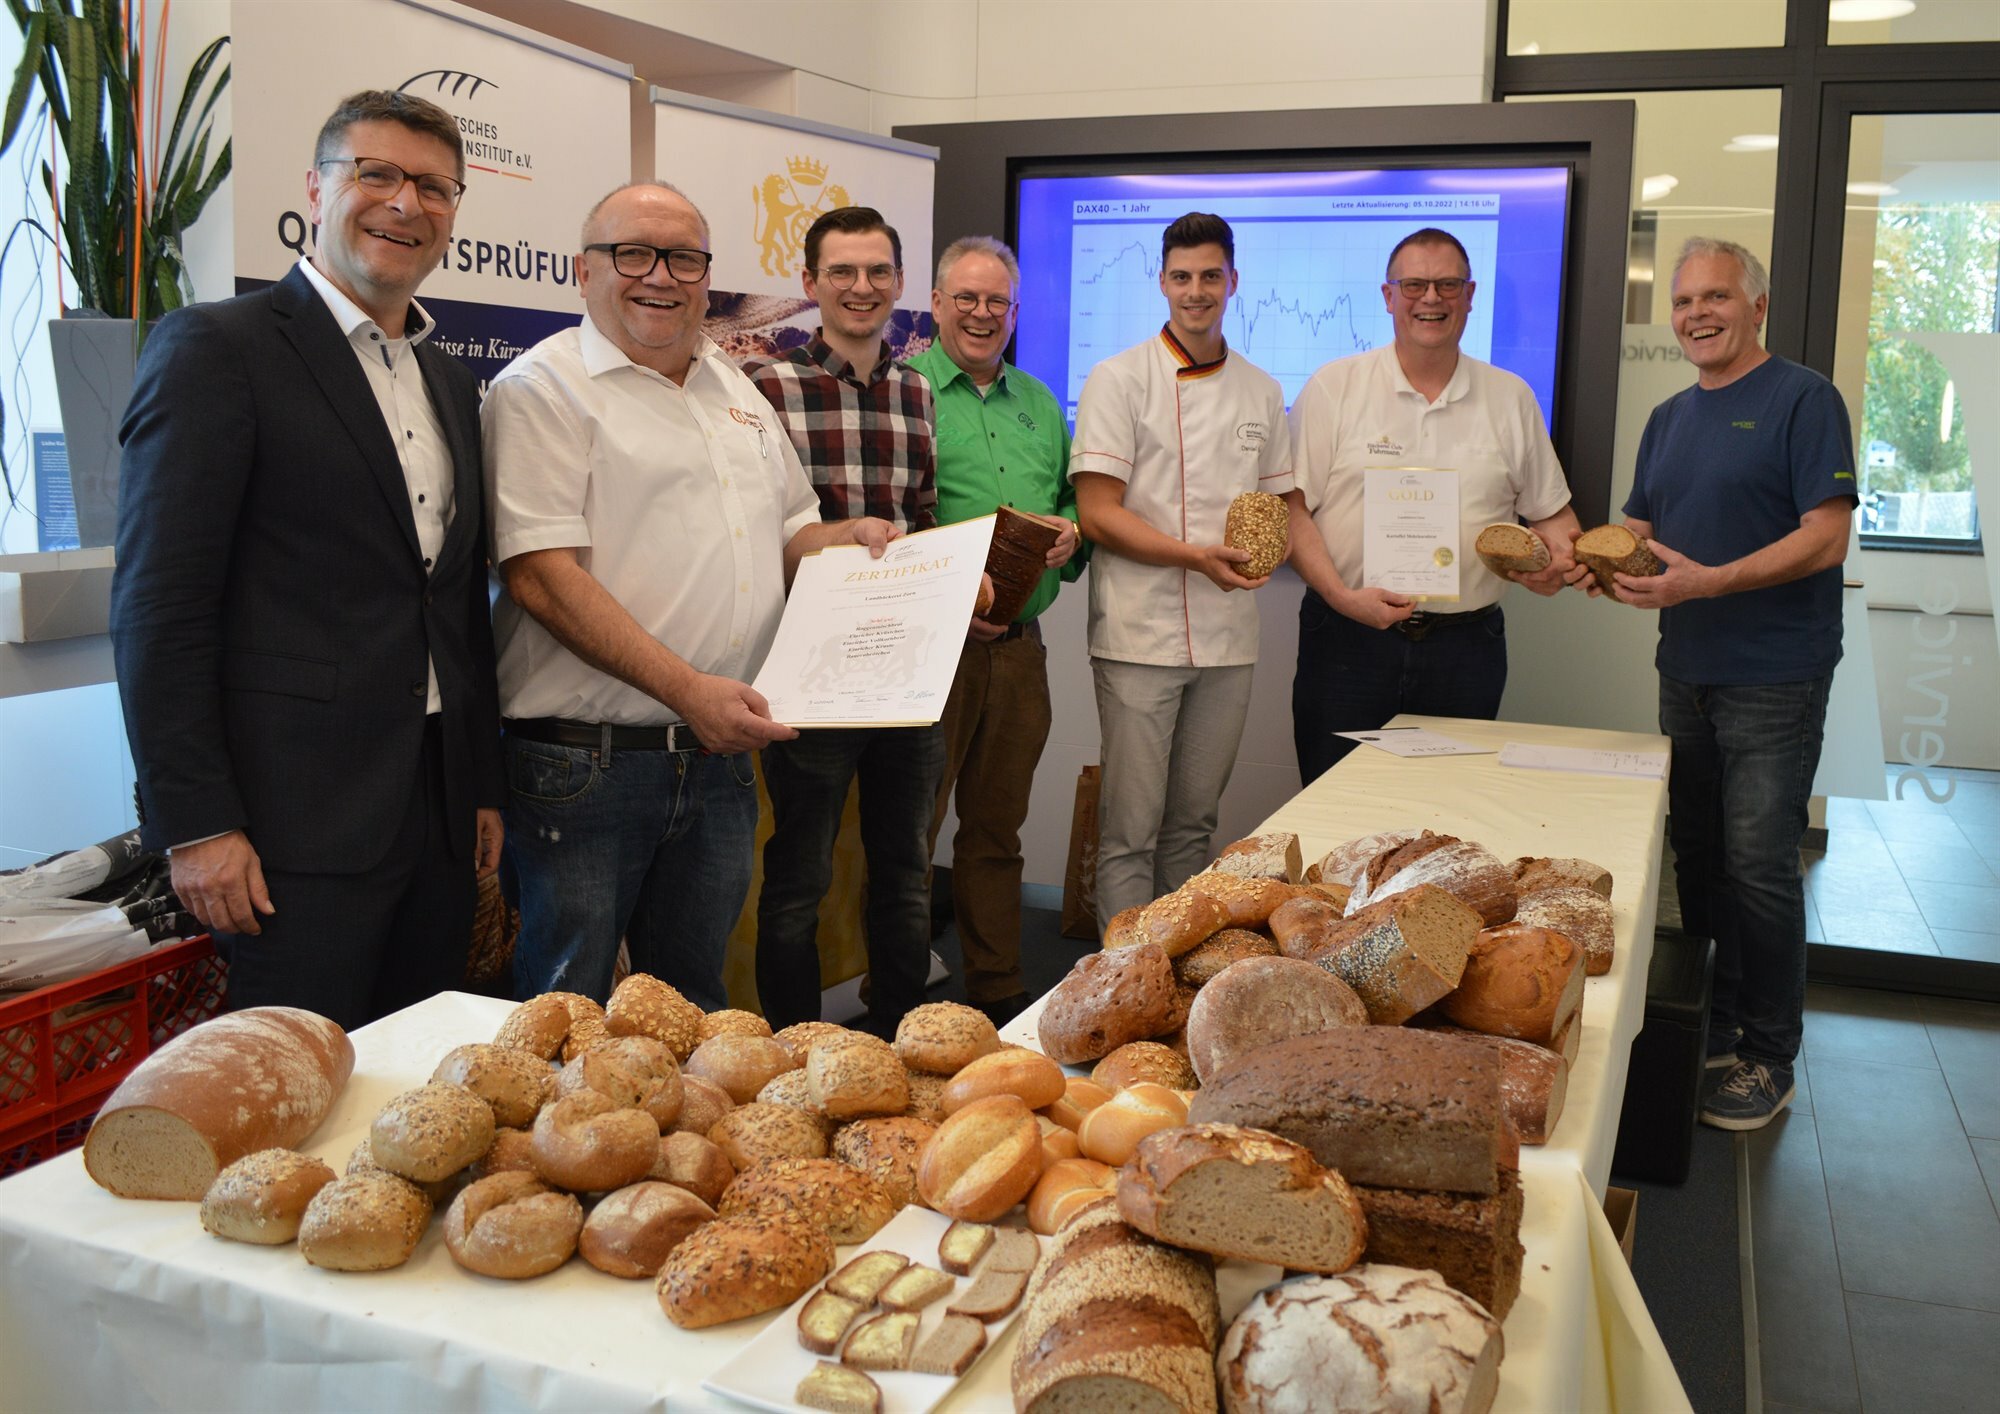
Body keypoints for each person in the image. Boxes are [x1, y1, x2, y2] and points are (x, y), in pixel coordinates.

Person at [110, 91, 504, 1029]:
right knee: (296, 1092)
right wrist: (197, 824)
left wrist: (480, 784)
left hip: (437, 817)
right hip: (290, 828)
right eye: (377, 174)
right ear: (316, 189)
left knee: (420, 1080)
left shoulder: (451, 382)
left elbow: (452, 603)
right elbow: (160, 608)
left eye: (434, 187)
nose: (406, 203)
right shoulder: (218, 348)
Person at [484, 183, 894, 1010]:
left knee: (690, 1012)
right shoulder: (541, 390)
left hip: (717, 761)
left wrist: (849, 539)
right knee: (569, 1013)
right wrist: (689, 692)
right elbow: (541, 577)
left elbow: (792, 534)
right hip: (588, 768)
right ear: (583, 270)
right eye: (633, 253)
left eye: (684, 258)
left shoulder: (733, 389)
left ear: (707, 276)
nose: (660, 276)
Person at [1592, 236, 1855, 1131]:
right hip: (1687, 669)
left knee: (1759, 865)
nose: (1697, 314)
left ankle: (1770, 1055)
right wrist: (1587, 562)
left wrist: (1706, 582)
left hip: (1775, 675)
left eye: (1716, 297)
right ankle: (1718, 1017)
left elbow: (1826, 535)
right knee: (1697, 855)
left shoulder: (1804, 399)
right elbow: (1638, 528)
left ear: (1757, 307)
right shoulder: (1669, 417)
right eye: (1684, 301)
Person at [744, 207, 943, 1036]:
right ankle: (792, 1053)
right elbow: (755, 533)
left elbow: (923, 519)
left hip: (904, 675)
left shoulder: (917, 391)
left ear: (898, 282)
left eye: (877, 272)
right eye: (842, 272)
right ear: (810, 283)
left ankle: (901, 1043)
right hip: (812, 676)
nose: (862, 288)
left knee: (905, 874)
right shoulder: (767, 390)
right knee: (798, 881)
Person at [1286, 227, 1581, 784]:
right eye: (1414, 285)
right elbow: (1292, 509)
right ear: (1388, 295)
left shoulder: (1511, 397)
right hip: (1347, 642)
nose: (1431, 298)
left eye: (1448, 285)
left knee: (1447, 813)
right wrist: (1342, 598)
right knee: (1336, 806)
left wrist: (1557, 565)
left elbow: (1553, 517)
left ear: (1470, 295)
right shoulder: (1334, 387)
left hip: (1464, 651)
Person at [1070, 212, 1292, 931]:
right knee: (1129, 830)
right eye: (1182, 277)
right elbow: (1098, 513)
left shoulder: (1262, 390)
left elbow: (1278, 506)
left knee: (1194, 823)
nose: (1196, 290)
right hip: (1139, 634)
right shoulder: (1118, 379)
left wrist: (1272, 550)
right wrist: (1196, 556)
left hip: (1228, 639)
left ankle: (1178, 967)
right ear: (1162, 282)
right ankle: (1124, 975)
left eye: (1210, 276)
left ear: (1233, 281)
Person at [907, 236, 1085, 1027]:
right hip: (930, 651)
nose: (982, 314)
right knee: (910, 832)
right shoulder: (904, 392)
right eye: (966, 299)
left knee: (996, 828)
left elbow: (1070, 501)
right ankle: (895, 986)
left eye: (997, 302)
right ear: (936, 303)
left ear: (1015, 312)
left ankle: (997, 983)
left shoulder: (1040, 403)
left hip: (1019, 652)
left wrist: (1072, 531)